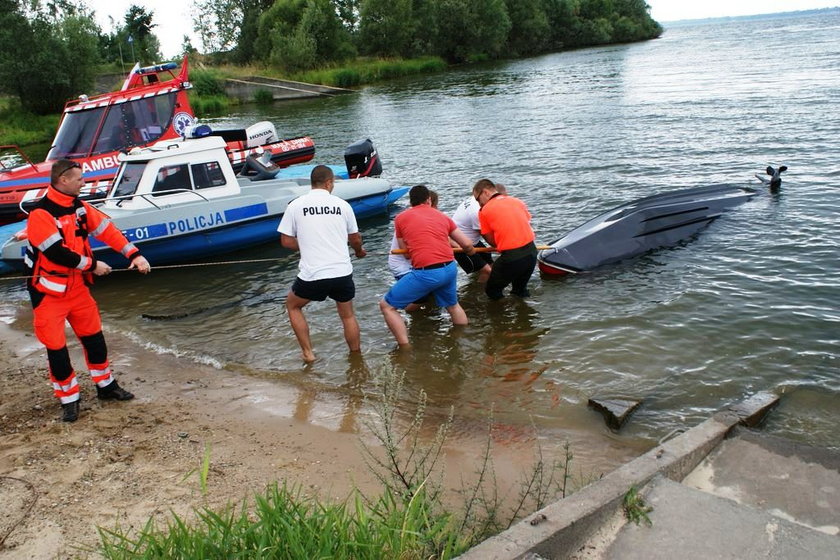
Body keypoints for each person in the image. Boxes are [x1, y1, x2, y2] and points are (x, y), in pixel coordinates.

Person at [25, 159, 151, 422]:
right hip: (49, 294)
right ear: (63, 180)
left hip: (78, 290)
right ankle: (69, 401)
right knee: (57, 350)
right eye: (80, 179)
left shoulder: (80, 208)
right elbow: (56, 253)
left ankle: (106, 386)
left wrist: (135, 254)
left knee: (95, 340)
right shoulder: (41, 215)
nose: (84, 183)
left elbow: (108, 231)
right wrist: (93, 265)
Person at [278, 165, 366, 362]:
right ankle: (356, 358)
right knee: (347, 315)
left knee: (293, 306)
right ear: (328, 183)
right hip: (342, 273)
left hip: (313, 274)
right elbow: (355, 238)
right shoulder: (343, 205)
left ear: (312, 183)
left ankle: (308, 354)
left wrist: (307, 245)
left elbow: (286, 241)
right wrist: (359, 252)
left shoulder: (296, 205)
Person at [380, 185, 476, 347]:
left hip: (427, 272)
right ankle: (463, 339)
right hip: (450, 268)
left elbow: (406, 253)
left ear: (411, 201)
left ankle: (405, 348)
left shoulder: (401, 219)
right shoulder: (443, 217)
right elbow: (466, 244)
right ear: (429, 200)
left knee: (387, 306)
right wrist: (472, 252)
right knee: (453, 306)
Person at [473, 178, 537, 300]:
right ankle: (524, 314)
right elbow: (526, 222)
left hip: (512, 257)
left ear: (485, 192)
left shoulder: (484, 211)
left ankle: (502, 316)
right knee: (520, 290)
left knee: (492, 291)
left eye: (477, 199)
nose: (478, 203)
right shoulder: (517, 201)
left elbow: (491, 240)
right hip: (532, 253)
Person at [451, 183, 507, 283]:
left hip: (472, 240)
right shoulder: (476, 211)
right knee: (487, 271)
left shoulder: (477, 198)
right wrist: (507, 248)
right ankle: (481, 294)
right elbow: (487, 237)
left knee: (490, 263)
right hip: (460, 245)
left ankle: (475, 287)